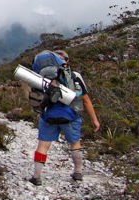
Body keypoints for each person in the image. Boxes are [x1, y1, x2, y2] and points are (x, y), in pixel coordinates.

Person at [29, 50, 100, 185]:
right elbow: (85, 99)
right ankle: (78, 172)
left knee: (43, 146)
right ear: (66, 61)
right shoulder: (74, 75)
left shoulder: (42, 77)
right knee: (74, 143)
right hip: (70, 116)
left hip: (48, 116)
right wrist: (94, 120)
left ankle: (36, 176)